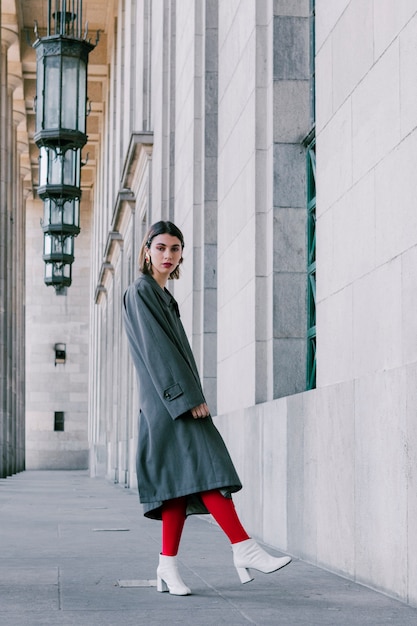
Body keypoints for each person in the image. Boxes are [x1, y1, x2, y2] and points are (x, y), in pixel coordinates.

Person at [123, 220, 291, 596]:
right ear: (147, 249)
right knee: (208, 468)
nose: (168, 255)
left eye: (176, 249)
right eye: (162, 247)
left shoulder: (162, 295)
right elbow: (157, 352)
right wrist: (186, 399)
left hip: (169, 402)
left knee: (179, 485)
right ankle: (243, 547)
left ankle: (167, 566)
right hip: (169, 404)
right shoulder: (141, 292)